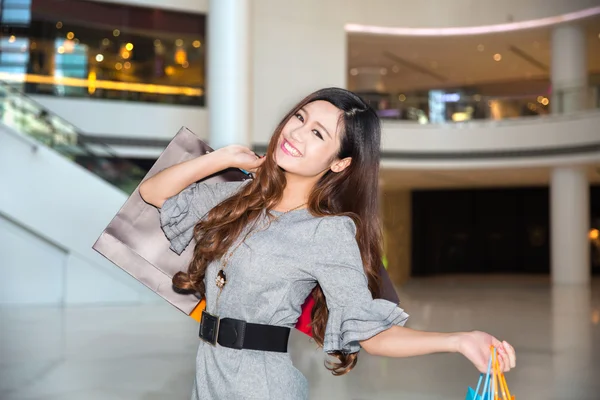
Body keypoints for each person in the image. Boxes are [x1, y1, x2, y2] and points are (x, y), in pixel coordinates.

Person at [139, 87, 516, 399]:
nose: (296, 133)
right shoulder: (240, 197)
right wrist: (221, 157)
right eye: (299, 118)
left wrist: (459, 340)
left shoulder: (328, 232)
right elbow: (154, 192)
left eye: (318, 133)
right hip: (208, 379)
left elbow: (372, 334)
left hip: (262, 387)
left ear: (340, 164)